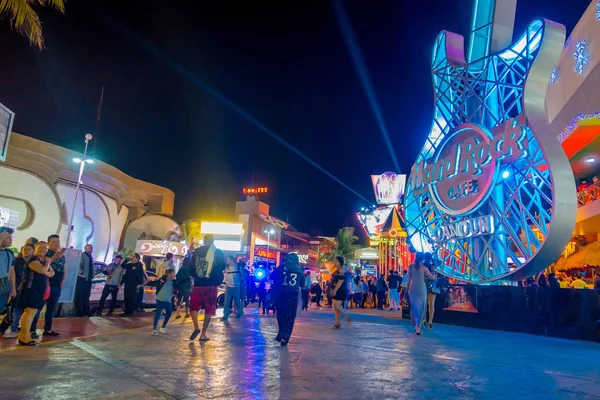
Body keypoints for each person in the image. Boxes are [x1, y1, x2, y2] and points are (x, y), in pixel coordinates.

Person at [189, 234, 226, 342]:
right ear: (212, 241)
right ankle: (203, 334)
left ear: (204, 241)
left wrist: (195, 275)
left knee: (194, 306)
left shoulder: (196, 252)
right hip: (211, 283)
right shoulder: (217, 252)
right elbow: (222, 265)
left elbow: (191, 267)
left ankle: (196, 327)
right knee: (209, 308)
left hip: (198, 283)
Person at [17, 241, 54, 346]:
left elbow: (52, 273)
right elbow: (43, 271)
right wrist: (47, 264)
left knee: (31, 313)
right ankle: (25, 337)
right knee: (30, 313)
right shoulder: (33, 259)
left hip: (39, 290)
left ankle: (23, 336)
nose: (43, 250)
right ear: (35, 248)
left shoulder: (43, 260)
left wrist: (46, 267)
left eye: (45, 248)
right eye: (40, 247)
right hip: (30, 289)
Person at [272, 253, 305, 346]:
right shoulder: (299, 269)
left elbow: (271, 276)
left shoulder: (281, 267)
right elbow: (302, 284)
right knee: (289, 317)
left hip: (280, 294)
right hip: (292, 295)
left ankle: (281, 333)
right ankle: (284, 337)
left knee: (280, 315)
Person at [4, 244, 33, 338]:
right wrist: (14, 288)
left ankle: (29, 330)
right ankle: (12, 329)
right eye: (25, 249)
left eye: (29, 249)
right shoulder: (17, 261)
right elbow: (13, 274)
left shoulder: (34, 261)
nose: (27, 251)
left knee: (28, 311)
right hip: (17, 287)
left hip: (29, 288)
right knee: (15, 309)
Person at [407, 252, 436, 335]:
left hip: (412, 288)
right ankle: (418, 326)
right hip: (421, 288)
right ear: (422, 259)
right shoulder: (424, 268)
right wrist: (434, 275)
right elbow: (431, 277)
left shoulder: (410, 267)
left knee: (413, 307)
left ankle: (415, 325)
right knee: (422, 307)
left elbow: (408, 277)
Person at [147, 268, 178, 335]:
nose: (174, 275)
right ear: (169, 274)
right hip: (160, 300)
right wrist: (147, 282)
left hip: (168, 301)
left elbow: (178, 288)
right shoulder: (163, 280)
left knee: (169, 313)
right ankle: (154, 329)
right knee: (158, 314)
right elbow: (156, 283)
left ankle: (163, 327)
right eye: (173, 273)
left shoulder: (174, 282)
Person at [330, 256, 352, 329]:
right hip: (337, 289)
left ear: (339, 262)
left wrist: (335, 290)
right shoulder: (338, 269)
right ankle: (337, 323)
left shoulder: (341, 270)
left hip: (340, 290)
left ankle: (347, 316)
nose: (334, 262)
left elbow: (340, 281)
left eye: (335, 260)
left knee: (337, 306)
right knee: (335, 307)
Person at [221, 255, 242, 322]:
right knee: (226, 302)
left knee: (237, 301)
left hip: (235, 287)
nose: (227, 261)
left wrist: (238, 282)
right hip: (228, 286)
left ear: (231, 260)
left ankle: (240, 312)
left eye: (228, 259)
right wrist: (224, 283)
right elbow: (226, 276)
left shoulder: (238, 267)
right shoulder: (227, 267)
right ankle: (225, 315)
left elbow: (243, 275)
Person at [75, 244, 94, 317]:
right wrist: (81, 273)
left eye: (91, 247)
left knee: (87, 295)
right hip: (82, 278)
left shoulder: (90, 256)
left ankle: (87, 311)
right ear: (85, 248)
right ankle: (80, 311)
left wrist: (92, 275)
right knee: (80, 295)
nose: (91, 249)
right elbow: (79, 265)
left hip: (88, 279)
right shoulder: (82, 255)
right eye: (89, 248)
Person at [0, 227, 15, 317]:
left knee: (1, 309)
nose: (11, 239)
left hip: (4, 283)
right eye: (8, 237)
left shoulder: (10, 253)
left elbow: (11, 271)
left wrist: (13, 287)